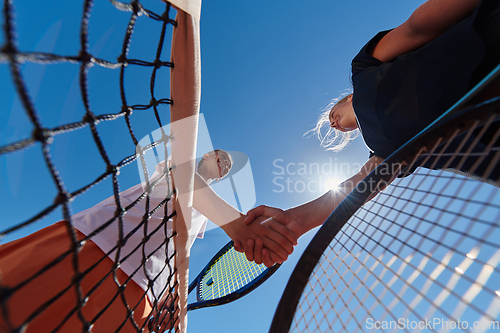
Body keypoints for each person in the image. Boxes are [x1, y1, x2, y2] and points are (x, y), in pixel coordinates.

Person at [236, 0, 500, 265]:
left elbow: (417, 28)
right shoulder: (383, 150)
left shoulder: (363, 70)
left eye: (331, 115)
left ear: (348, 98)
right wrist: (296, 220)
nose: (333, 123)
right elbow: (362, 184)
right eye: (333, 125)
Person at [0, 149, 297, 333]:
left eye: (228, 167)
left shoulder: (204, 217)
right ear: (206, 155)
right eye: (222, 158)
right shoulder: (180, 159)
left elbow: (181, 254)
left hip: (138, 295)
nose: (225, 165)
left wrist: (172, 296)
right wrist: (238, 226)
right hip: (93, 247)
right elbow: (183, 178)